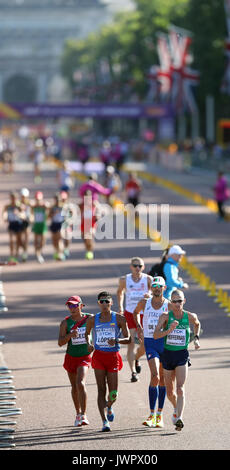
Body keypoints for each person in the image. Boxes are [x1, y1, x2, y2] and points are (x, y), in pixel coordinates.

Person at [153, 289, 201, 431]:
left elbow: (197, 324)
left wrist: (196, 338)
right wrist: (169, 330)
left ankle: (179, 417)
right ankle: (175, 408)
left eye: (179, 301)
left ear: (184, 301)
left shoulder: (190, 316)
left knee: (180, 389)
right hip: (167, 355)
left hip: (182, 355)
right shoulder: (165, 317)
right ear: (170, 302)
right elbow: (156, 335)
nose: (177, 304)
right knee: (170, 391)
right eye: (174, 301)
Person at [85, 291, 131, 432]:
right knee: (101, 389)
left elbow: (128, 338)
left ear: (111, 303)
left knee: (113, 393)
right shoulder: (93, 319)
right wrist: (89, 343)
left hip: (113, 357)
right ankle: (104, 422)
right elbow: (87, 334)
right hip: (99, 356)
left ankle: (109, 406)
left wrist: (116, 340)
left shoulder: (119, 319)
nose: (104, 304)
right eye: (101, 302)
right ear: (98, 304)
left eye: (107, 301)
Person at [133, 276, 170, 428]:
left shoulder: (168, 305)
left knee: (162, 379)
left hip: (164, 343)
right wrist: (139, 328)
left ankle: (159, 415)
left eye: (159, 286)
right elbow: (135, 312)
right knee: (154, 375)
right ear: (151, 288)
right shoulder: (144, 302)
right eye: (154, 286)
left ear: (164, 288)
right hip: (150, 343)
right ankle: (151, 414)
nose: (156, 288)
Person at [58, 296, 93, 427]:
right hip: (71, 357)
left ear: (81, 306)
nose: (72, 308)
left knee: (81, 383)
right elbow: (60, 342)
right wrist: (69, 336)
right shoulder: (65, 323)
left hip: (84, 356)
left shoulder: (89, 319)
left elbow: (104, 319)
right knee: (74, 387)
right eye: (70, 306)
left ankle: (84, 414)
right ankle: (78, 413)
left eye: (74, 305)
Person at [117, 257, 153, 382]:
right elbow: (119, 292)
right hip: (130, 313)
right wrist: (121, 307)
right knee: (131, 342)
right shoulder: (124, 280)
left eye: (140, 266)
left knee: (144, 344)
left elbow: (157, 293)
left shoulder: (148, 279)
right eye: (135, 265)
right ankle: (133, 372)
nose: (137, 268)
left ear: (143, 267)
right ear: (131, 266)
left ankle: (137, 358)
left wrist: (150, 295)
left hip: (144, 314)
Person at [79, 190, 101, 260]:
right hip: (83, 224)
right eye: (86, 196)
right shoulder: (81, 204)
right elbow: (76, 211)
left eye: (88, 196)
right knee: (85, 238)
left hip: (91, 223)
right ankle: (88, 249)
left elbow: (99, 210)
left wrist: (97, 216)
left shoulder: (94, 204)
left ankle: (90, 251)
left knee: (89, 237)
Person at [2, 192, 23, 263]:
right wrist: (5, 217)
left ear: (16, 198)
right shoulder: (8, 206)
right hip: (11, 224)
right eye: (12, 198)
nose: (13, 199)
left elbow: (23, 214)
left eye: (14, 198)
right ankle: (11, 255)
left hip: (18, 224)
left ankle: (16, 254)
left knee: (18, 240)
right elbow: (4, 213)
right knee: (11, 240)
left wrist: (19, 214)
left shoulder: (19, 206)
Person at [31, 191, 49, 263]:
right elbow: (31, 213)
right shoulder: (34, 206)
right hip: (36, 225)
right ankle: (38, 254)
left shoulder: (44, 206)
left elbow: (48, 210)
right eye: (37, 199)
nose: (38, 201)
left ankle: (40, 251)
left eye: (39, 199)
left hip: (43, 225)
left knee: (42, 241)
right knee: (36, 241)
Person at [49, 193, 65, 261]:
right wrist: (53, 213)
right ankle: (56, 251)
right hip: (54, 224)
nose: (58, 201)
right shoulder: (52, 208)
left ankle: (60, 253)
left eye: (59, 199)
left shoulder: (63, 207)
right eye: (56, 200)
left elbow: (70, 214)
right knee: (54, 240)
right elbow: (48, 216)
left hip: (61, 224)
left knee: (59, 239)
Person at [19, 188, 32, 262]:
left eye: (25, 196)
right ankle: (23, 249)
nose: (24, 198)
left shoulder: (30, 203)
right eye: (22, 196)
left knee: (26, 239)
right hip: (20, 223)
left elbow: (32, 212)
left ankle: (25, 253)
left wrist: (31, 217)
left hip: (27, 222)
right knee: (20, 239)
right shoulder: (18, 203)